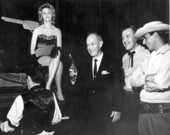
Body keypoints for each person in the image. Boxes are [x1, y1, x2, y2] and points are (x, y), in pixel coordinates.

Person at [131, 21, 170, 135]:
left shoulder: (168, 56)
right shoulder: (149, 57)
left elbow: (160, 83)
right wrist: (147, 79)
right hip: (143, 112)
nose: (143, 41)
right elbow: (133, 79)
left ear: (156, 36)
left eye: (146, 38)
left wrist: (142, 80)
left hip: (160, 114)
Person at [0, 63, 62, 135]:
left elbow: (11, 126)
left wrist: (1, 125)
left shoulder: (21, 99)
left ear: (28, 78)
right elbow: (57, 119)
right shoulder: (51, 94)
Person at [82, 32, 123, 135]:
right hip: (89, 113)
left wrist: (117, 108)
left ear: (100, 44)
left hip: (107, 112)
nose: (89, 47)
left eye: (92, 44)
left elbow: (118, 86)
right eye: (87, 45)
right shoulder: (84, 63)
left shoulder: (113, 62)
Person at [30, 3, 64, 101]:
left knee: (59, 61)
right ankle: (51, 88)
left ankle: (56, 89)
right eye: (44, 13)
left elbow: (59, 47)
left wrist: (56, 50)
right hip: (40, 56)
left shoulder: (57, 31)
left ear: (52, 14)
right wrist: (33, 61)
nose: (46, 15)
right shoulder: (37, 30)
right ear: (41, 16)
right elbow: (32, 49)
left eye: (48, 13)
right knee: (59, 62)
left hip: (53, 56)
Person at [121, 26, 150, 135]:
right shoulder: (124, 57)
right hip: (127, 98)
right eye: (122, 38)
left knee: (139, 130)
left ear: (136, 38)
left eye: (128, 36)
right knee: (128, 130)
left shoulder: (146, 54)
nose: (124, 40)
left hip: (139, 98)